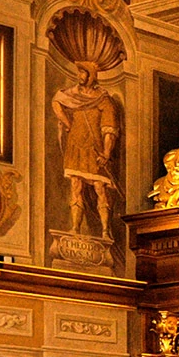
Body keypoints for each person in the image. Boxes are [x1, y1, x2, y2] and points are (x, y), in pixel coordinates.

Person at [52, 61, 121, 238]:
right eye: (79, 72)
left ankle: (105, 231)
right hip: (76, 146)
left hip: (94, 149)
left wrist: (106, 152)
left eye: (83, 73)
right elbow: (56, 102)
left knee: (100, 188)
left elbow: (109, 129)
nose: (79, 76)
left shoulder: (104, 100)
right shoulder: (73, 95)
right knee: (76, 186)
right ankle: (75, 228)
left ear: (91, 76)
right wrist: (68, 125)